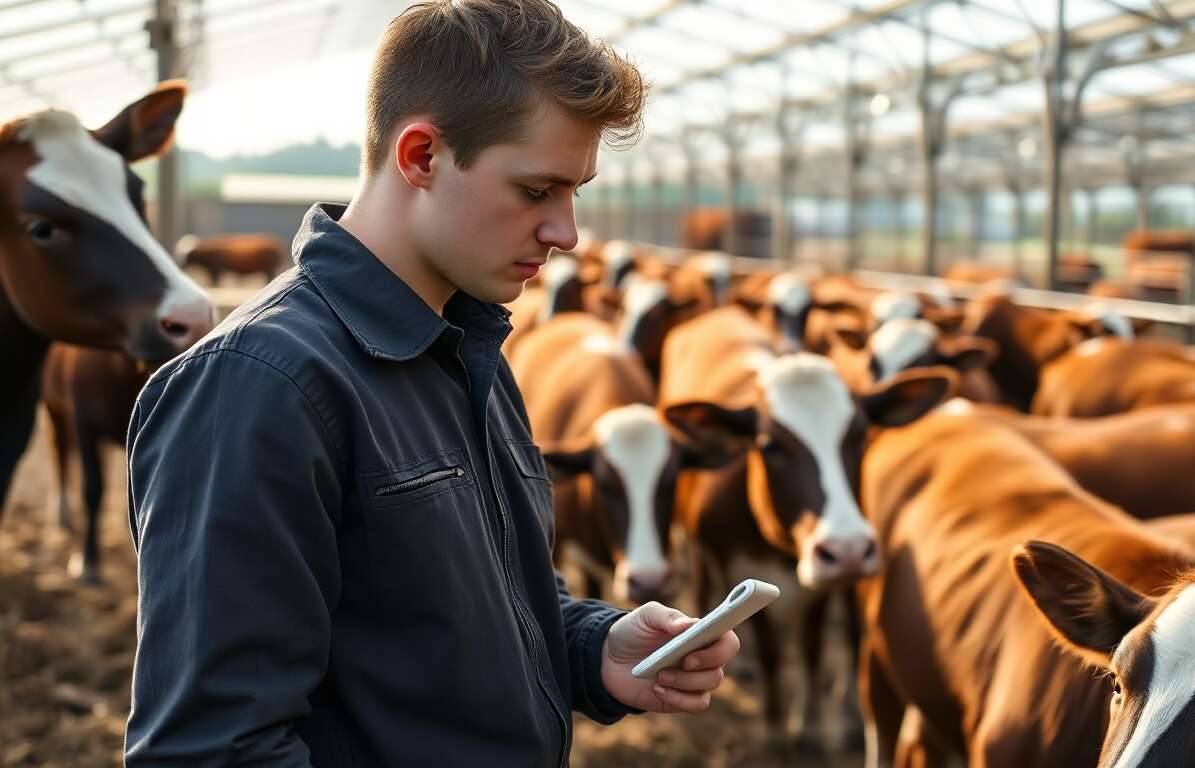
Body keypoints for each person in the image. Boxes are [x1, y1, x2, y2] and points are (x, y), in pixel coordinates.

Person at [123, 1, 740, 764]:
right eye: (536, 190)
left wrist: (592, 647)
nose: (566, 233)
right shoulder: (258, 387)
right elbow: (211, 750)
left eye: (573, 192)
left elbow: (466, 603)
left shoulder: (466, 346)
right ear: (420, 157)